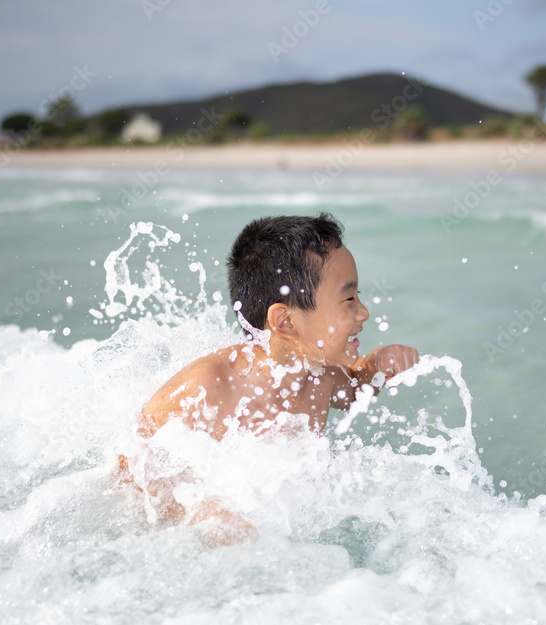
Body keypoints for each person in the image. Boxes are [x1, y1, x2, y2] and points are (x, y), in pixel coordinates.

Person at [119, 213, 419, 543]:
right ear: (286, 322)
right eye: (349, 299)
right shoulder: (211, 384)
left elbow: (355, 392)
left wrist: (376, 366)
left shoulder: (322, 374)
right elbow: (130, 461)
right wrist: (202, 512)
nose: (364, 313)